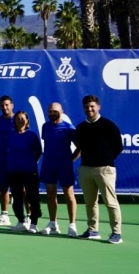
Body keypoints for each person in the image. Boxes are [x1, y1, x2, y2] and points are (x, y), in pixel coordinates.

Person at [75, 95, 123, 243]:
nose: (89, 109)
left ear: (98, 107)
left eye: (92, 106)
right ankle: (93, 230)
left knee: (110, 202)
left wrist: (106, 160)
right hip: (86, 170)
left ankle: (116, 233)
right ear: (83, 108)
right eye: (86, 107)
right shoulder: (81, 127)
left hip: (105, 170)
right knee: (90, 203)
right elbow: (80, 147)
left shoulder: (109, 125)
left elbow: (118, 147)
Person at [40, 102, 79, 237]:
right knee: (50, 194)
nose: (52, 113)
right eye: (50, 111)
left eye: (55, 111)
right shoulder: (45, 127)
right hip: (48, 165)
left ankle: (72, 225)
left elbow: (79, 147)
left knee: (69, 194)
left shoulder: (69, 128)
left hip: (64, 166)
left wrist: (70, 160)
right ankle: (53, 223)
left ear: (61, 111)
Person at [6, 111, 42, 233]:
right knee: (17, 198)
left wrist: (30, 162)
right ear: (14, 121)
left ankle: (33, 223)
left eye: (22, 118)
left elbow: (38, 151)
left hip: (29, 171)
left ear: (27, 120)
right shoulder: (11, 135)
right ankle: (21, 221)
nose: (20, 120)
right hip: (13, 171)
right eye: (17, 119)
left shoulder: (32, 135)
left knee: (32, 197)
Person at [0, 95, 16, 225]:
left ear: (12, 105)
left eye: (7, 105)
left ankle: (28, 218)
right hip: (2, 160)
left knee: (22, 189)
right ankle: (4, 216)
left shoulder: (18, 119)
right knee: (3, 188)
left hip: (17, 160)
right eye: (2, 105)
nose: (4, 107)